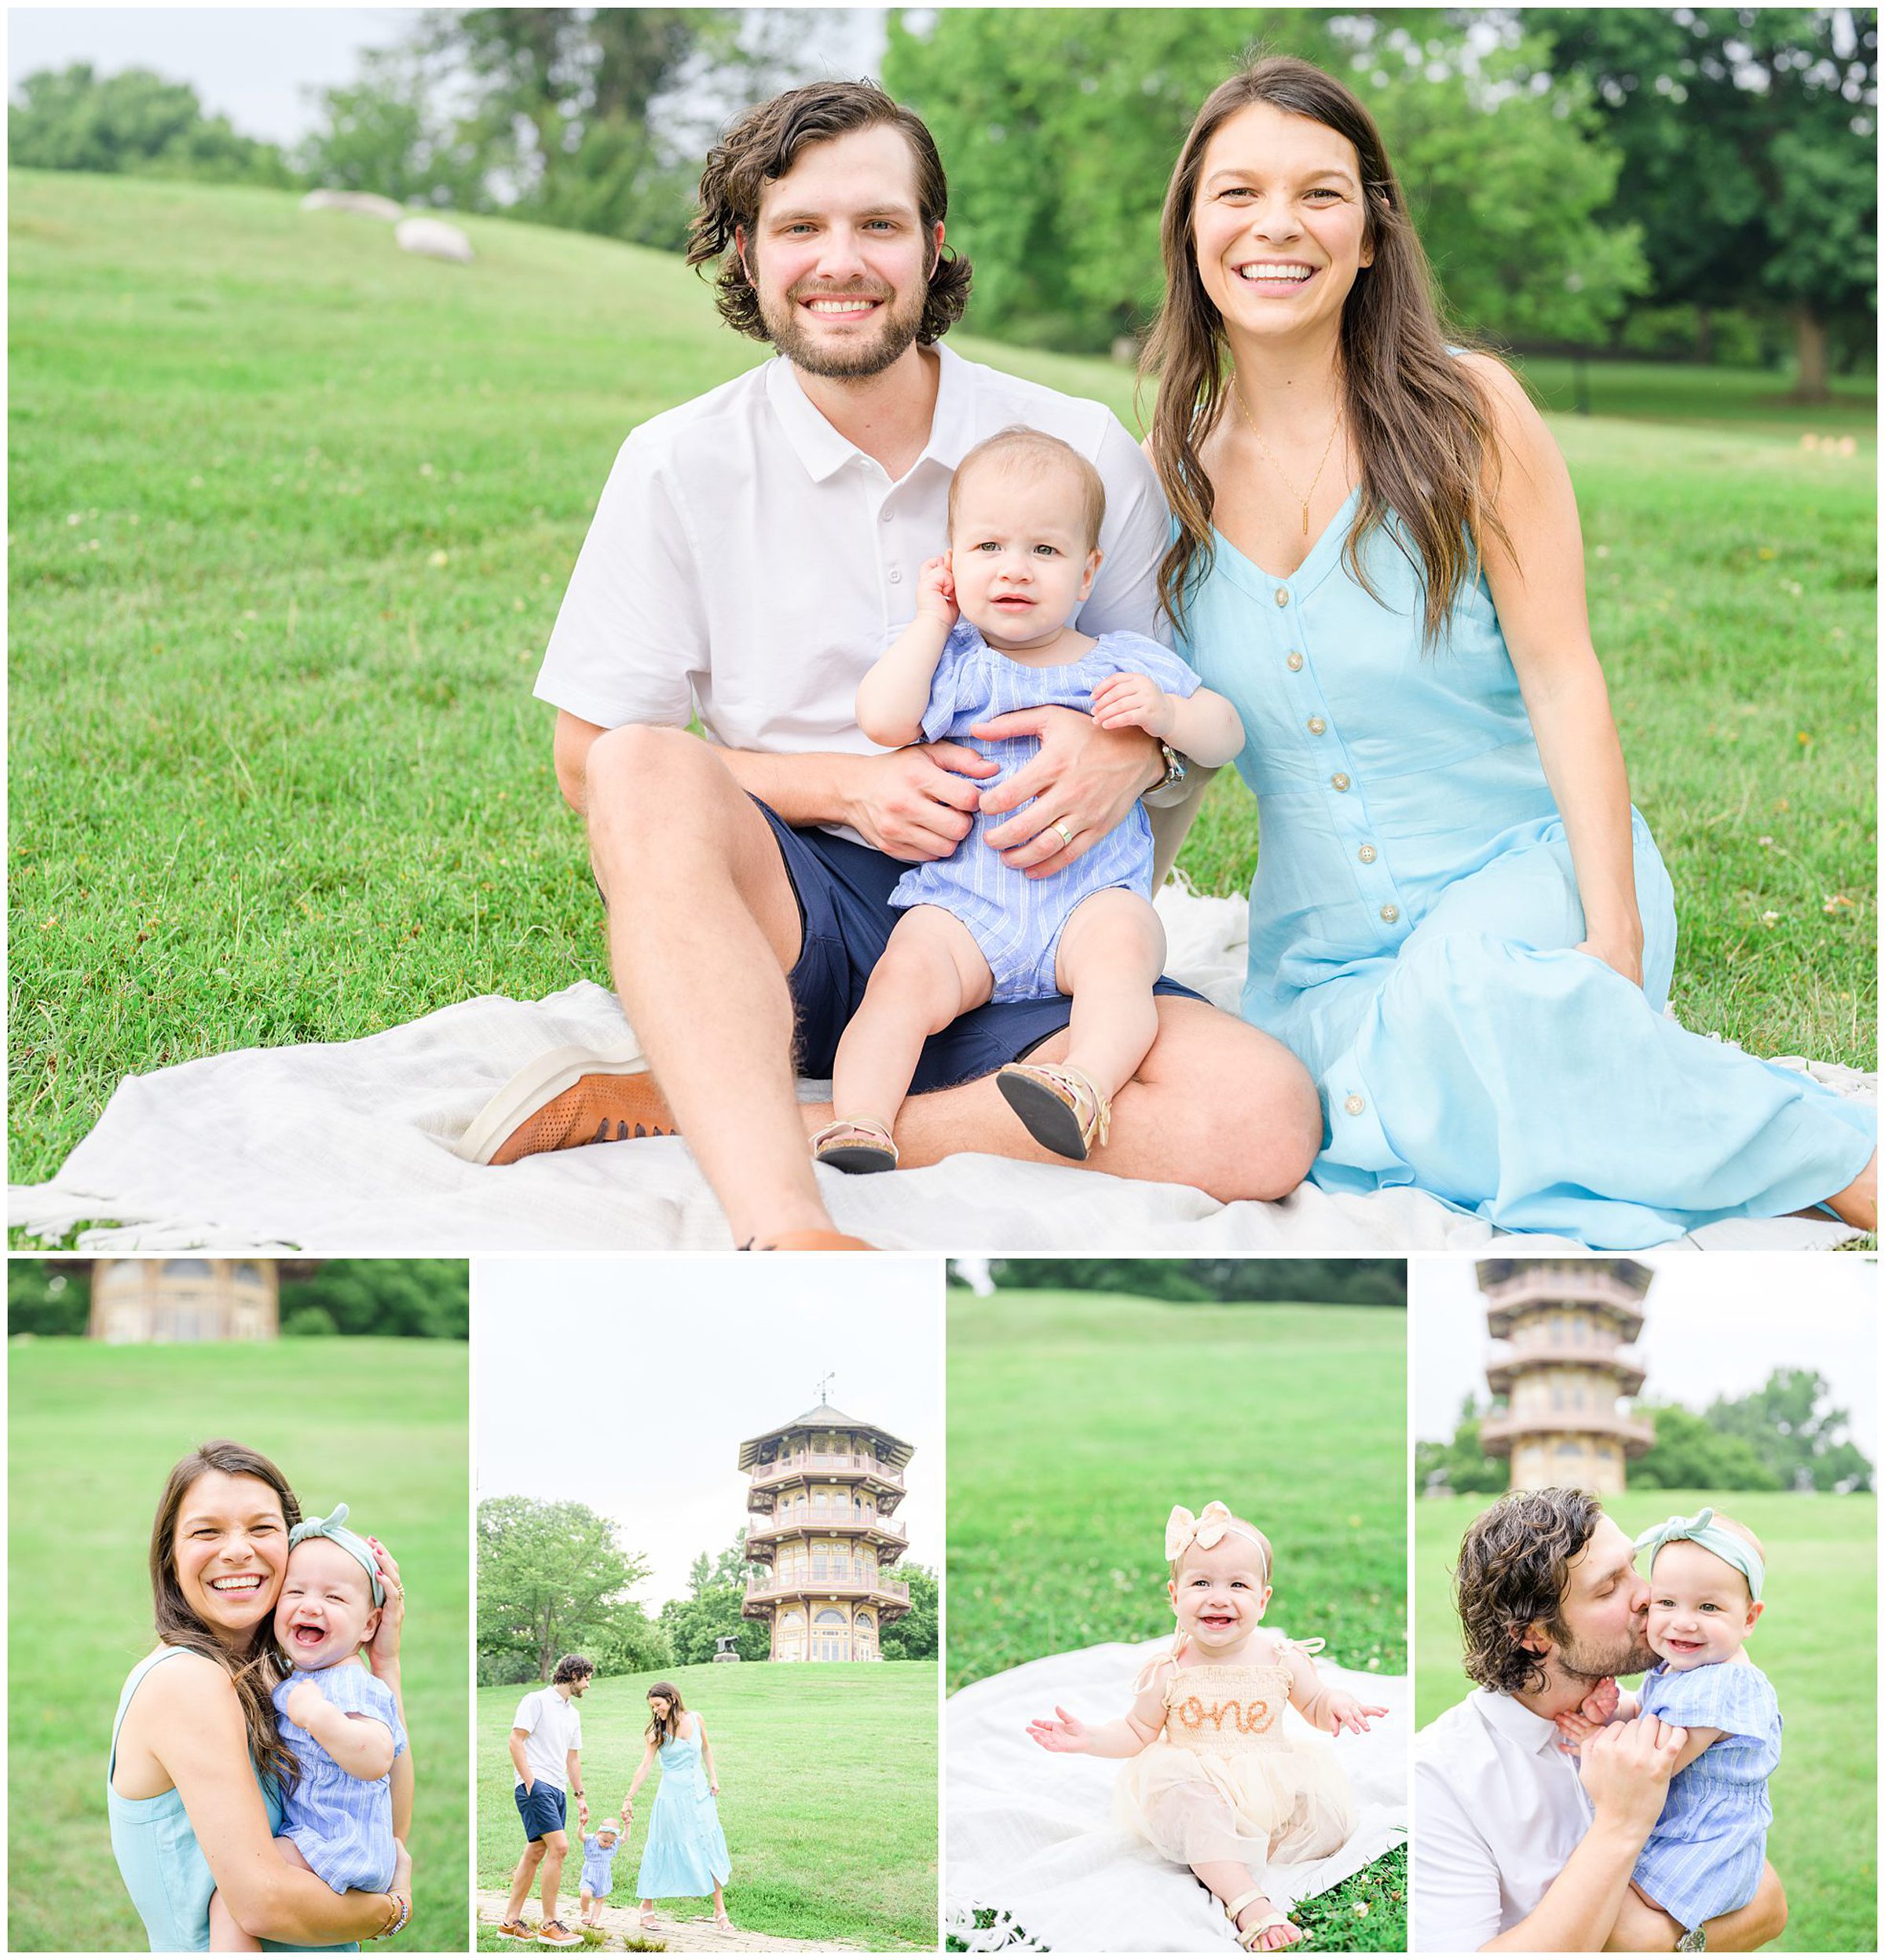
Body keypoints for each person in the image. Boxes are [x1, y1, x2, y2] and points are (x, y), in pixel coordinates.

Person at [452, 78, 1323, 1247]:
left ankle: (768, 1111)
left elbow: (1176, 711)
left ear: (932, 246)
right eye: (799, 228)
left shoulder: (1075, 450)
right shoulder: (679, 464)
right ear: (749, 257)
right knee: (646, 768)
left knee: (1263, 1119)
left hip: (1033, 917)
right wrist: (848, 788)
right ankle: (784, 1218)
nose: (840, 262)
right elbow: (591, 765)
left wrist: (1126, 750)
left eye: (877, 225)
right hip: (795, 913)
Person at [1138, 55, 1877, 1246]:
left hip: (1534, 880)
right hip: (1321, 961)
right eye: (1237, 194)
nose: (1278, 226)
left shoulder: (1468, 414)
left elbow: (1563, 674)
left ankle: (1845, 1164)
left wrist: (1616, 939)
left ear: (1372, 235)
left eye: (1321, 194)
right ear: (1189, 229)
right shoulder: (1167, 472)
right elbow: (1174, 745)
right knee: (1339, 1088)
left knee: (1480, 995)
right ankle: (1604, 1099)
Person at [818, 426, 1246, 1169]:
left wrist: (1168, 717)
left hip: (1086, 900)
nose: (1015, 570)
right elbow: (882, 719)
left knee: (1124, 952)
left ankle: (1081, 1082)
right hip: (965, 908)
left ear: (1087, 574)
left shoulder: (1121, 665)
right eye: (988, 549)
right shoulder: (952, 664)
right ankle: (859, 1121)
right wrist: (930, 620)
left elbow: (1227, 733)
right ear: (951, 563)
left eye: (1044, 551)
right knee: (901, 980)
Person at [1414, 1487, 1788, 1950]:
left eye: (1635, 1568)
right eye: (1611, 1587)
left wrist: (1655, 1943)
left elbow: (1769, 1901)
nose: (1649, 1596)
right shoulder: (1440, 1776)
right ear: (1534, 1634)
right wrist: (1621, 1823)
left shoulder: (1646, 1711)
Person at [1026, 1501, 1379, 1951]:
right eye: (1200, 1583)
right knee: (1197, 1807)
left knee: (1323, 1818)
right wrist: (1090, 1738)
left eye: (1237, 1584)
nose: (1218, 1597)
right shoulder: (1169, 1671)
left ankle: (1225, 1852)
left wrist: (1337, 1703)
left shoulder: (1281, 1659)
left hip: (1265, 1786)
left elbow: (1314, 1702)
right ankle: (1246, 1899)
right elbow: (1137, 1732)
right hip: (1193, 1781)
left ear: (1263, 1599)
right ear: (1174, 1596)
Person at [108, 1441, 413, 1951]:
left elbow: (383, 1825)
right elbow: (264, 1904)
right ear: (171, 1556)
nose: (236, 1551)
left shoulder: (280, 1680)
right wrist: (391, 1908)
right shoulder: (187, 1683)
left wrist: (384, 1667)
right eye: (206, 1531)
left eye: (261, 1528)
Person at [1554, 1508, 1781, 1942]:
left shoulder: (1721, 1684)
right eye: (1667, 1602)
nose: (1684, 1621)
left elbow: (1660, 1757)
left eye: (1709, 1607)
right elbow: (1653, 1714)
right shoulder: (1687, 1665)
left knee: (1600, 1902)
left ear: (1749, 1619)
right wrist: (1619, 1709)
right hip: (1685, 1829)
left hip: (1703, 1848)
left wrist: (1595, 1739)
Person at [209, 1505, 407, 1951]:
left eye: (335, 1598)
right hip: (323, 1832)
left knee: (235, 1896)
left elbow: (377, 1757)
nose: (311, 1605)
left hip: (338, 1841)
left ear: (370, 1624)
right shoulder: (303, 1678)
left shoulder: (352, 1684)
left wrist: (320, 1717)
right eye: (294, 1592)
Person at [493, 1654, 594, 1947]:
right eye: (586, 1678)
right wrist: (529, 1780)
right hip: (536, 1785)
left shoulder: (573, 1714)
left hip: (558, 1789)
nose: (588, 1685)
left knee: (536, 1851)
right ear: (574, 1675)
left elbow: (572, 1758)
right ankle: (549, 1924)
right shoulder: (535, 1700)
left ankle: (510, 1922)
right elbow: (515, 1740)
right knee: (560, 1848)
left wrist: (580, 1796)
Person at [621, 1681, 732, 1933]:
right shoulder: (656, 1732)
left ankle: (720, 1911)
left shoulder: (696, 1719)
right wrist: (629, 1797)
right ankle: (646, 1905)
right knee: (661, 1847)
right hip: (670, 1799)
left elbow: (706, 1748)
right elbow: (645, 1766)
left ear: (671, 1699)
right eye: (652, 1707)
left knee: (707, 1846)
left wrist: (713, 1778)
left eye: (658, 1705)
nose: (656, 1711)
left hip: (699, 1794)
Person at [576, 1819, 622, 1928]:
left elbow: (625, 1838)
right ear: (598, 1833)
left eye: (611, 1842)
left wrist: (627, 1825)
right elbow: (580, 1835)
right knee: (585, 1894)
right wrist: (581, 1824)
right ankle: (585, 1911)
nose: (608, 1844)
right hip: (589, 1874)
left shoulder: (614, 1844)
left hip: (603, 1877)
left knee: (600, 1900)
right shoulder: (591, 1841)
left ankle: (595, 1920)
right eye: (605, 1841)